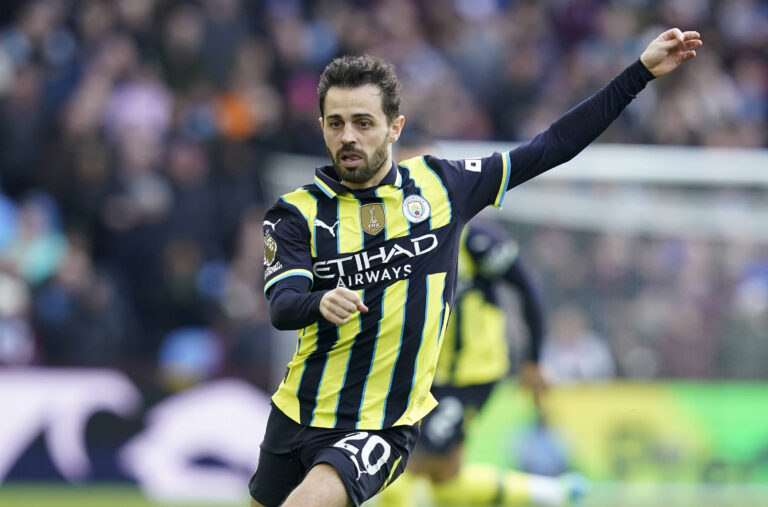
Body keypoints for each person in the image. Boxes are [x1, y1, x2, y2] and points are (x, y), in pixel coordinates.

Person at [249, 28, 702, 507]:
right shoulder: (294, 213)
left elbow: (553, 145)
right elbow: (283, 306)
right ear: (321, 125)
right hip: (296, 411)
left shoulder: (443, 187)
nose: (348, 136)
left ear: (394, 128)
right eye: (335, 123)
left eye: (363, 122)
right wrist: (320, 300)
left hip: (381, 423)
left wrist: (639, 73)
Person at [375, 216, 586, 507]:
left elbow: (526, 286)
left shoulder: (474, 239)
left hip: (471, 376)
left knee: (407, 466)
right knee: (445, 481)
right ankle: (551, 493)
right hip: (422, 379)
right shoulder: (395, 244)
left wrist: (533, 360)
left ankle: (549, 493)